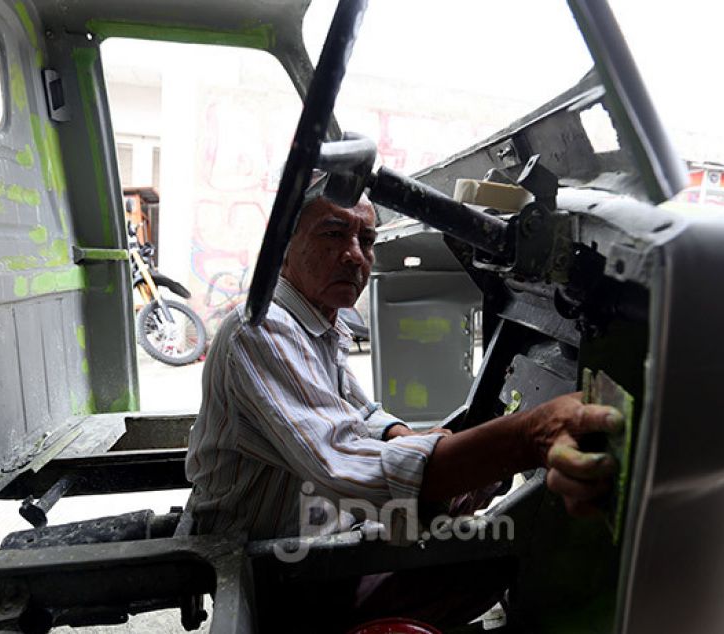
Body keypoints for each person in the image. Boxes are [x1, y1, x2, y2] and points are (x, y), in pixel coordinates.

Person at [184, 186, 623, 629]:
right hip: (277, 575)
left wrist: (409, 439)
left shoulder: (315, 324)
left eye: (367, 241)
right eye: (333, 234)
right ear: (282, 247)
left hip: (311, 542)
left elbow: (360, 414)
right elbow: (346, 465)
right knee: (497, 561)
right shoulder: (262, 330)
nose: (355, 255)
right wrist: (528, 436)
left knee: (465, 523)